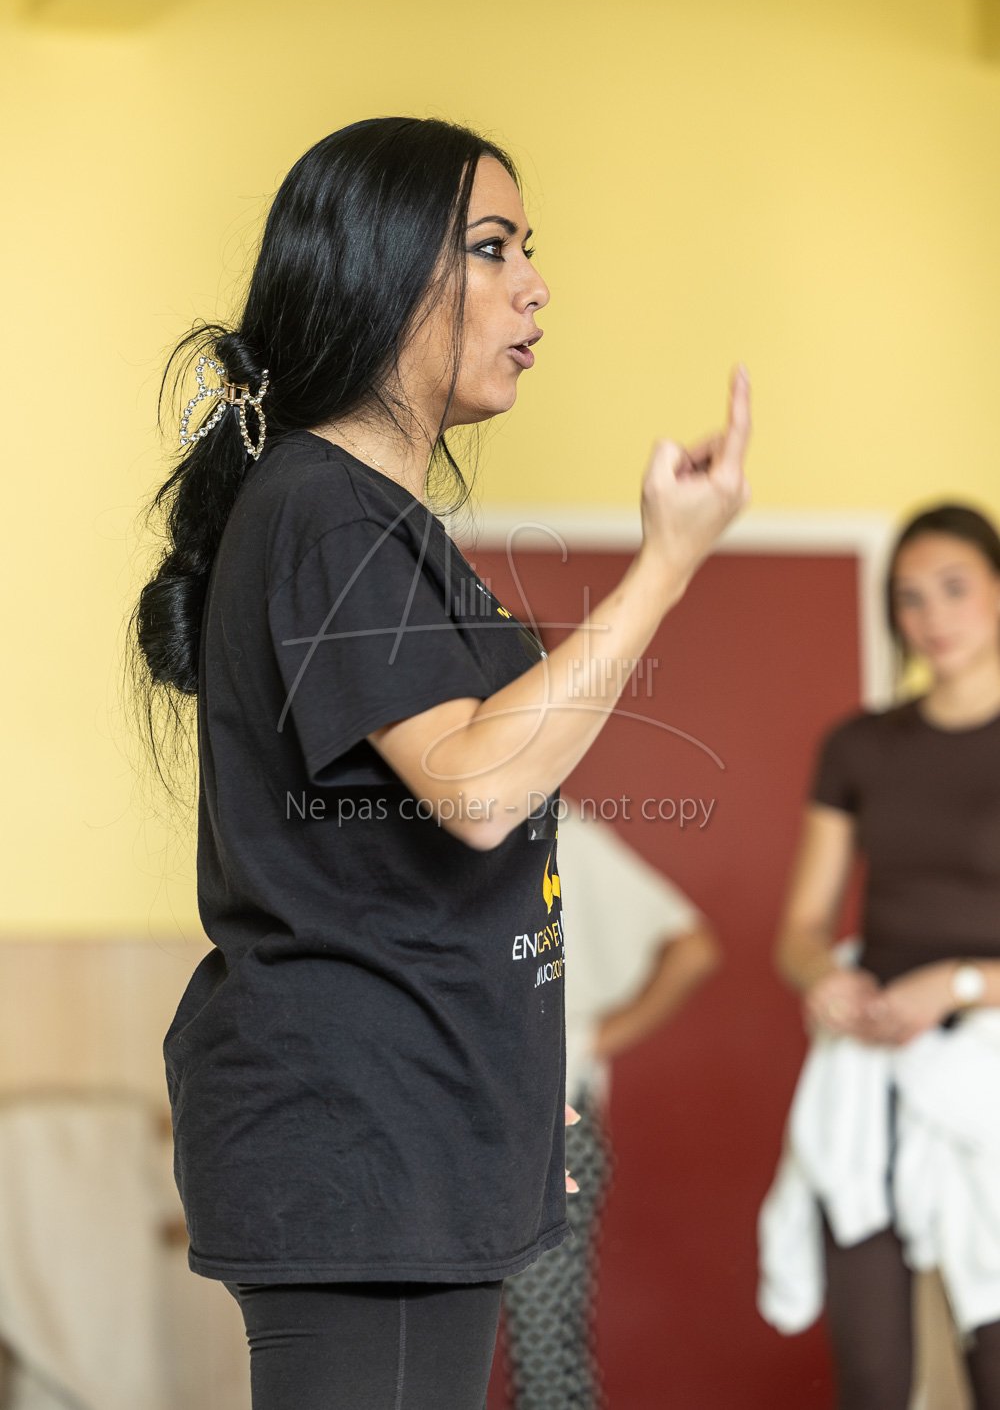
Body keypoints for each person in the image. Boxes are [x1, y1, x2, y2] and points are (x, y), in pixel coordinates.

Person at [129, 115, 751, 1410]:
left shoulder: (370, 522)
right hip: (366, 1135)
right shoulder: (322, 508)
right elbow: (477, 789)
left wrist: (505, 1099)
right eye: (492, 247)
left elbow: (427, 867)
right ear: (384, 274)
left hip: (412, 1127)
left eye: (529, 249)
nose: (535, 285)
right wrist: (667, 563)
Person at [758, 503, 1000, 1410]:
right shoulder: (859, 746)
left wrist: (961, 985)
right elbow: (799, 932)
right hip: (874, 1072)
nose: (932, 616)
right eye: (909, 597)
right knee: (870, 1376)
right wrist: (827, 979)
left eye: (954, 588)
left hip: (989, 1060)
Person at [500, 799, 721, 1409]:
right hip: (430, 1119)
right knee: (418, 1344)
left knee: (545, 1353)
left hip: (551, 1123)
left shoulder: (553, 829)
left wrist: (587, 1041)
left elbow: (693, 946)